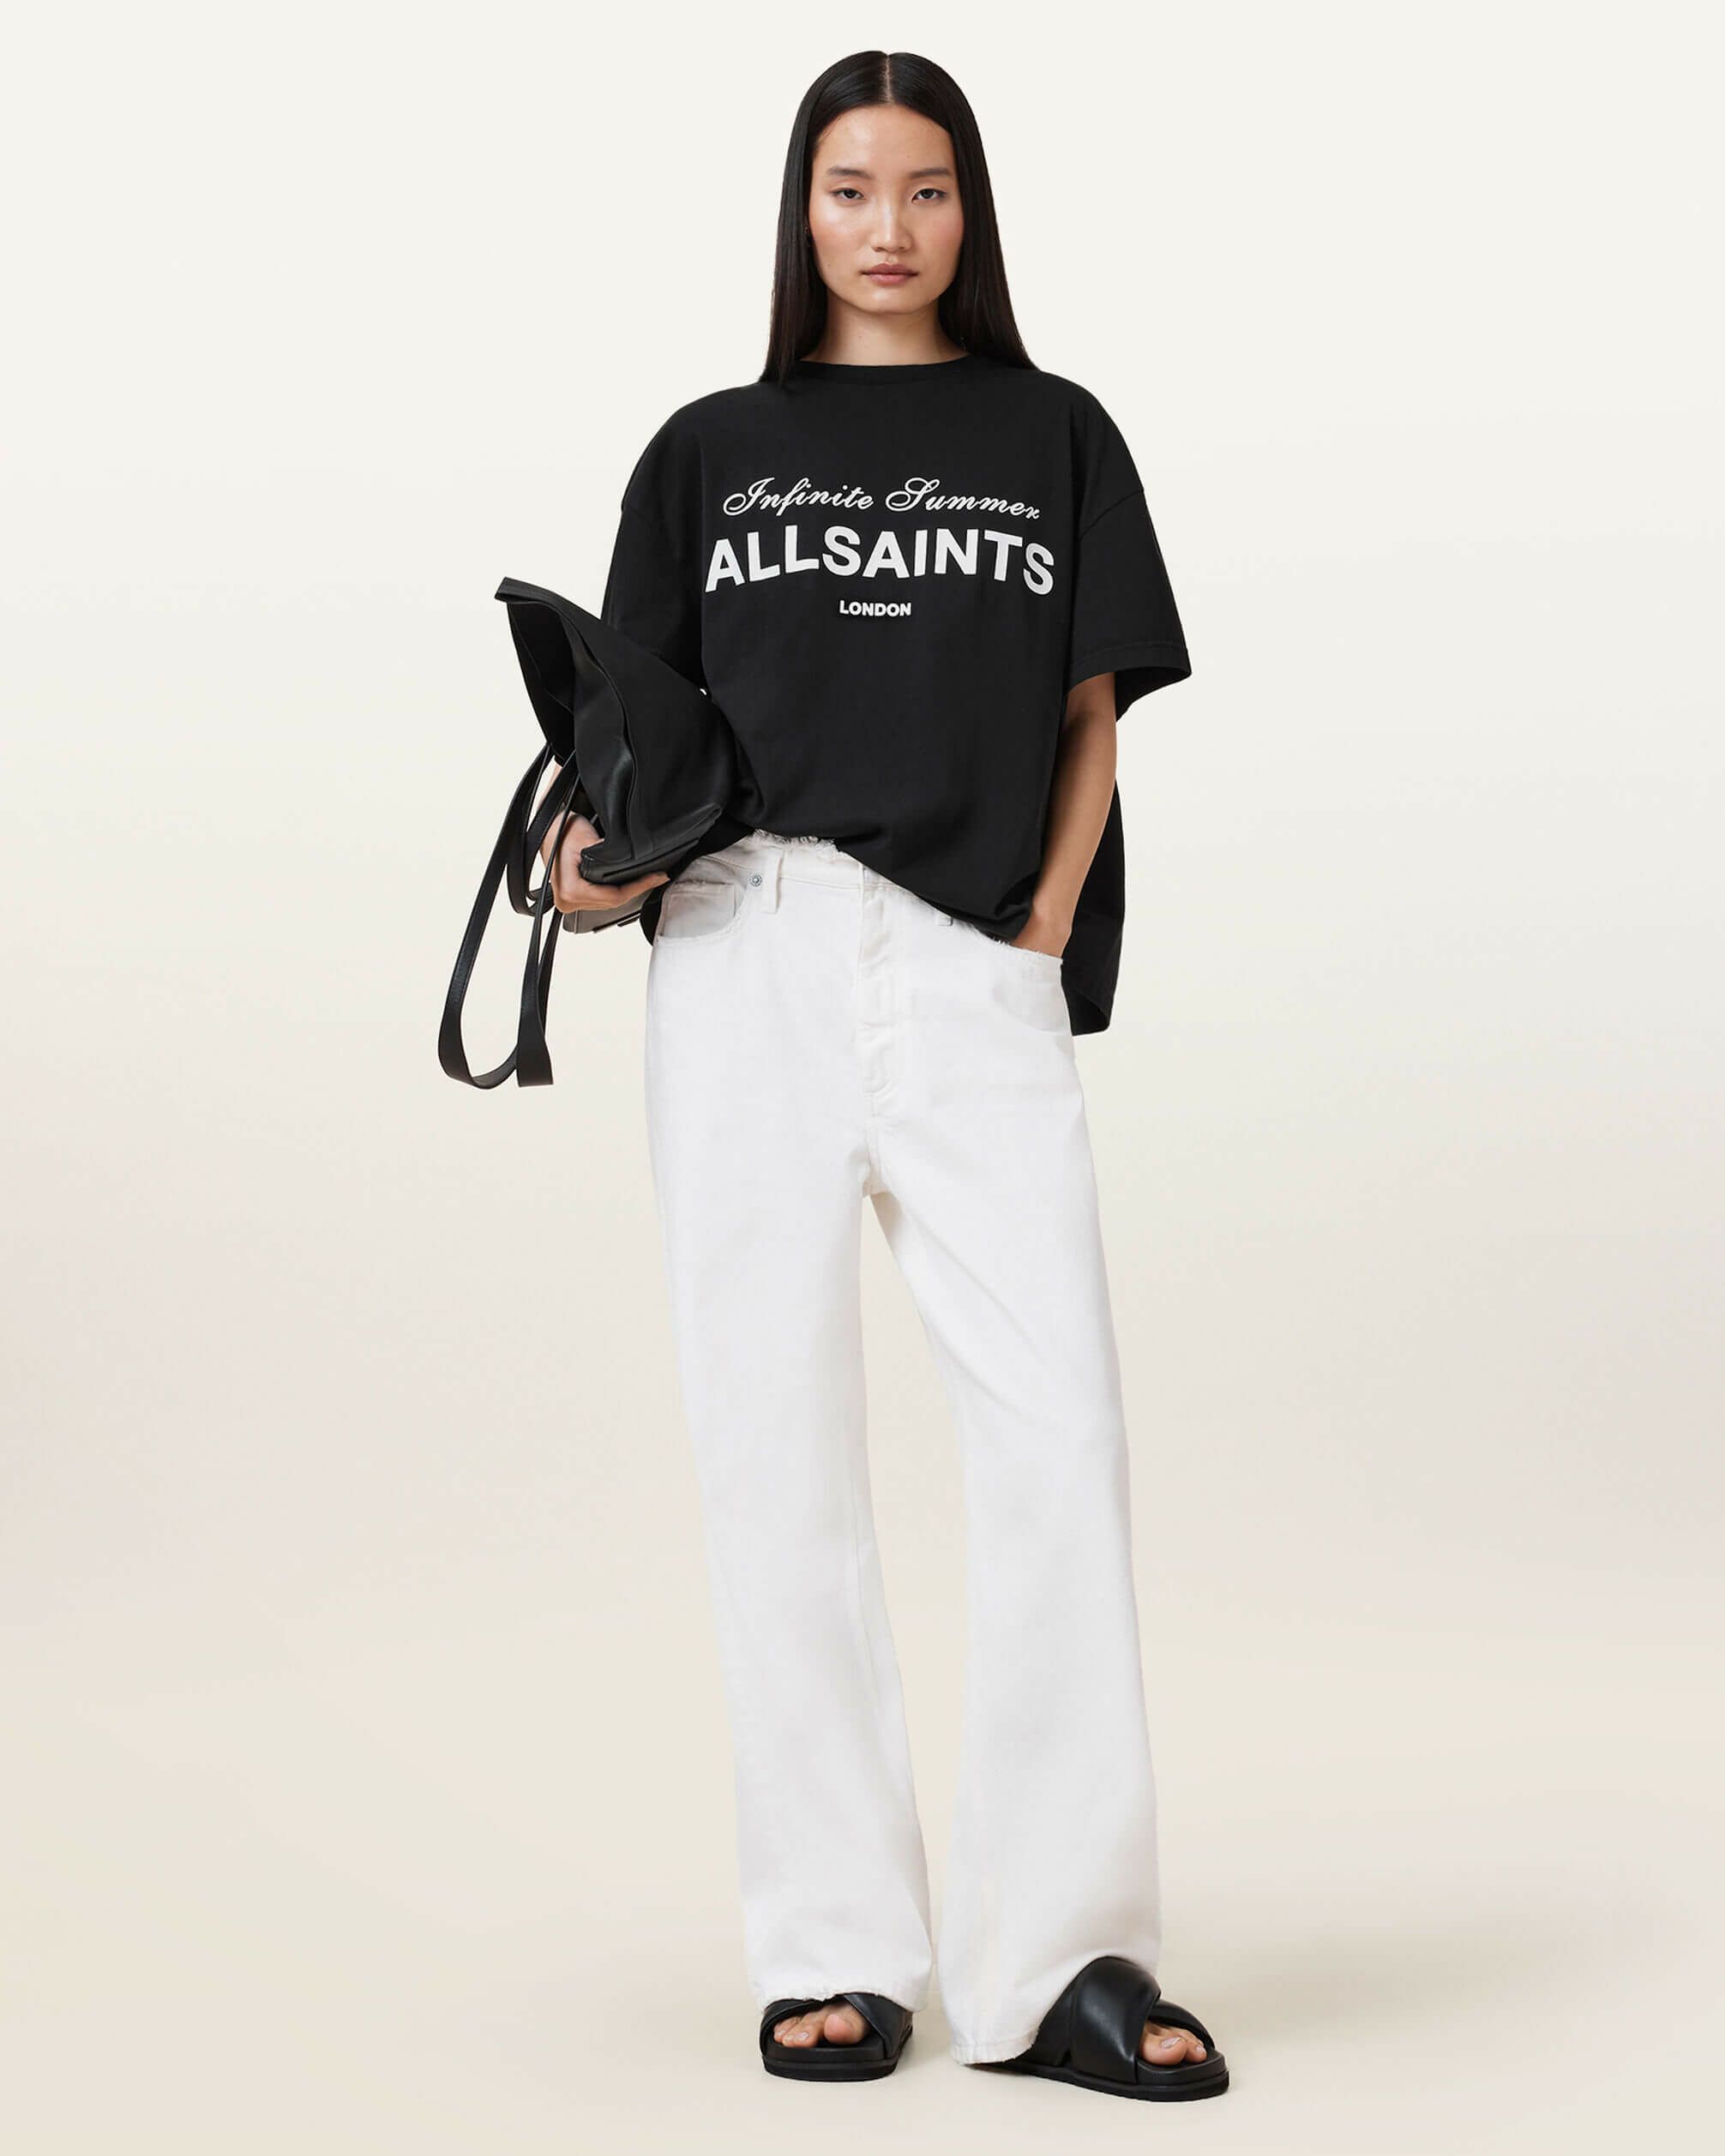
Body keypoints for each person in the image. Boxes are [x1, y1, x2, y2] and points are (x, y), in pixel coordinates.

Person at [543, 49, 1229, 2101]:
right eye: (849, 188)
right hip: (743, 939)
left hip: (965, 949)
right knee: (774, 1451)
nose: (888, 226)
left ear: (969, 210)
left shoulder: (1053, 430)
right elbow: (629, 729)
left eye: (926, 188)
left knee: (1056, 1437)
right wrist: (591, 873)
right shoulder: (707, 450)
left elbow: (1092, 710)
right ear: (802, 210)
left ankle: (1062, 1958)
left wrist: (1039, 923)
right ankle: (834, 1941)